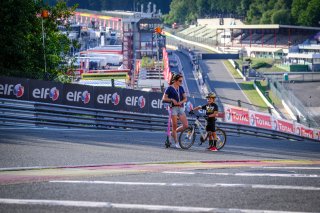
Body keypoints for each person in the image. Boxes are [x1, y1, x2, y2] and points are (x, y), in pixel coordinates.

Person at [162, 73, 188, 148]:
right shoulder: (169, 88)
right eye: (180, 81)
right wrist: (171, 100)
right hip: (173, 108)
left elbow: (185, 98)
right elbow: (164, 98)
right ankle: (176, 142)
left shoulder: (181, 88)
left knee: (186, 125)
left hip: (180, 107)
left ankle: (172, 133)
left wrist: (181, 102)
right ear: (175, 80)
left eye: (181, 81)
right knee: (174, 125)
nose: (181, 82)